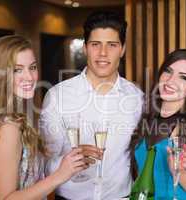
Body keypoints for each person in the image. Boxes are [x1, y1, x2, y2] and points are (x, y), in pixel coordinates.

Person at [40, 11, 144, 200]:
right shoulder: (57, 97)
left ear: (122, 49)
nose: (103, 53)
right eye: (96, 44)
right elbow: (45, 161)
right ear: (86, 47)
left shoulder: (137, 99)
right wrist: (66, 164)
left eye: (112, 45)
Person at [0, 35, 87, 200]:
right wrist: (61, 175)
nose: (29, 77)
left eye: (33, 67)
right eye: (17, 70)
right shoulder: (8, 127)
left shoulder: (12, 115)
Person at [130, 49, 186, 199]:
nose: (170, 81)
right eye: (168, 71)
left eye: (184, 78)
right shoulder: (145, 113)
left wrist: (180, 172)